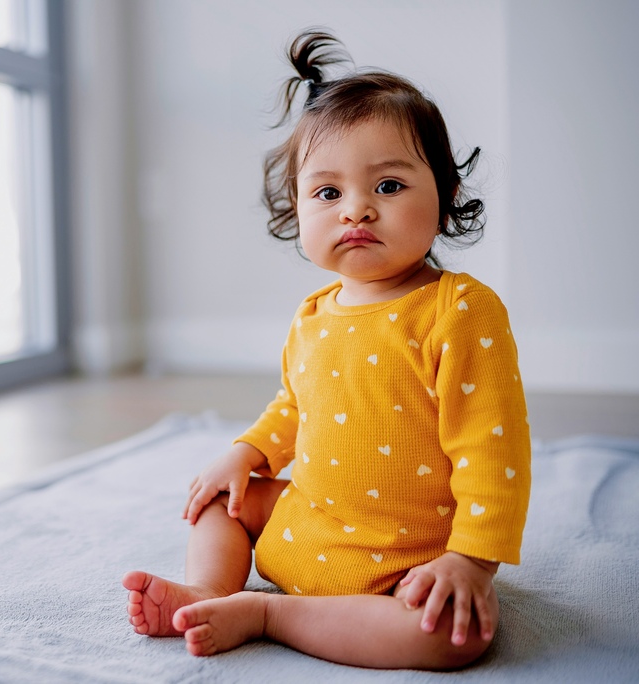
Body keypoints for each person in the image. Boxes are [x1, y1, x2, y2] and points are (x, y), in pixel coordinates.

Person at [122, 29, 531, 671]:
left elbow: (491, 445)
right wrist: (247, 452)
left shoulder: (458, 310)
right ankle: (208, 590)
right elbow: (295, 405)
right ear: (298, 210)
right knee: (216, 501)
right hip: (307, 519)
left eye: (389, 187)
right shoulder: (313, 315)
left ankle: (268, 613)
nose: (357, 212)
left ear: (446, 195)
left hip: (409, 558)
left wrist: (471, 560)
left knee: (455, 637)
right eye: (328, 193)